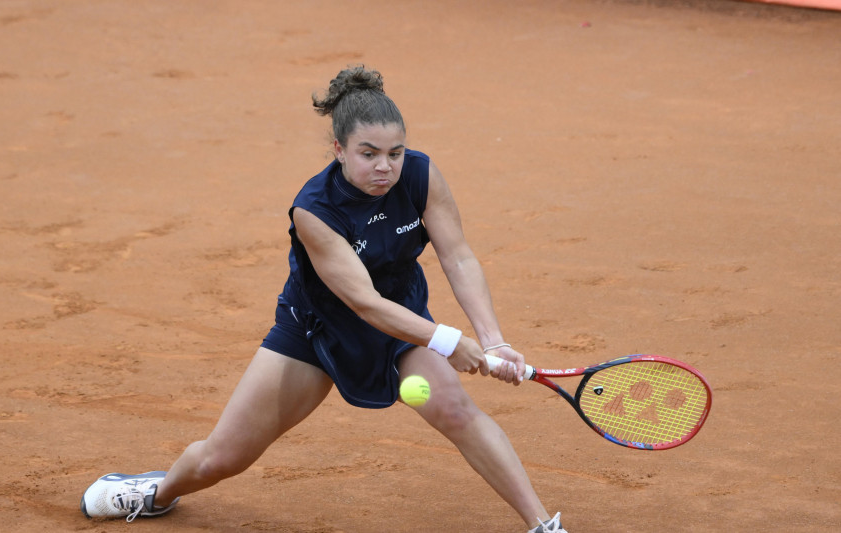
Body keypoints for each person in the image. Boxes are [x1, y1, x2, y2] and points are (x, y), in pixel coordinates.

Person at [81, 65, 568, 533]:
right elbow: (363, 303)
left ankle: (542, 525)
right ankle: (157, 494)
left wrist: (494, 340)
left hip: (402, 324)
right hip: (316, 331)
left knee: (457, 411)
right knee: (221, 459)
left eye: (396, 152)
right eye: (369, 153)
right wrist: (447, 340)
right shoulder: (315, 209)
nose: (385, 166)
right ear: (338, 148)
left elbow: (458, 257)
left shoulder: (419, 176)